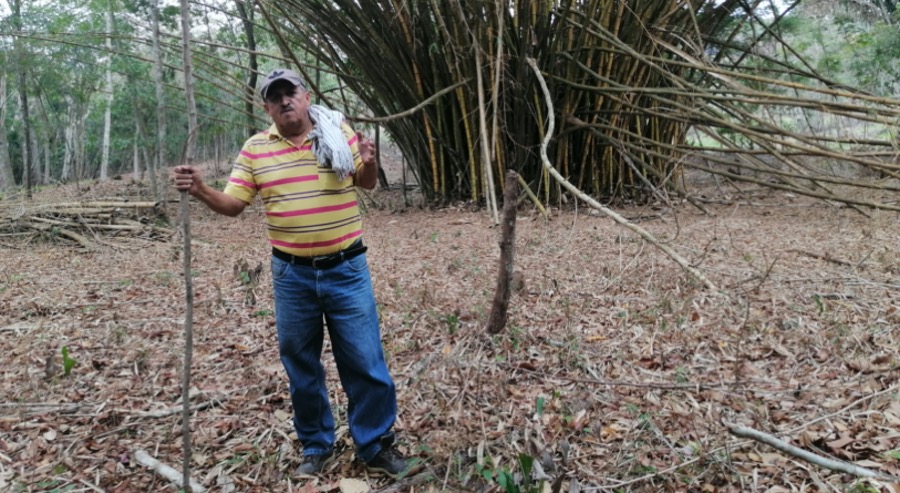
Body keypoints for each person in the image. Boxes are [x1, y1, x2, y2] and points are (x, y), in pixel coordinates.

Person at [173, 68, 419, 479]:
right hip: (292, 275)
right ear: (267, 107)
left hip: (346, 268)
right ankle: (317, 444)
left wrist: (371, 163)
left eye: (292, 92)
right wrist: (199, 189)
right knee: (301, 363)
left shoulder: (335, 132)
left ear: (306, 98)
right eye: (276, 97)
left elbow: (367, 183)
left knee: (364, 359)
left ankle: (375, 445)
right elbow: (234, 205)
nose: (286, 101)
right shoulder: (255, 149)